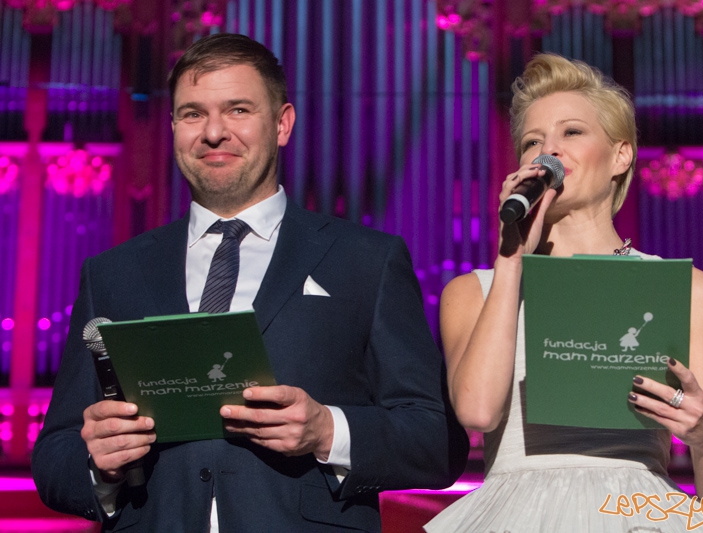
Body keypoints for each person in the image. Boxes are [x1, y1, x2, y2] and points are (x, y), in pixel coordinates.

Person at [32, 33, 468, 532]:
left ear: (282, 124)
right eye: (193, 114)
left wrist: (329, 429)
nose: (214, 132)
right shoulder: (112, 272)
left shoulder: (366, 261)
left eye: (238, 110)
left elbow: (436, 441)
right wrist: (99, 462)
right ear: (174, 127)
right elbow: (54, 457)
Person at [425, 53, 703, 532]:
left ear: (621, 155)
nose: (548, 152)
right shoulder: (475, 290)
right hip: (517, 513)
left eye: (571, 132)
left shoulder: (688, 290)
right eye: (533, 141)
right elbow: (477, 410)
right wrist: (512, 259)